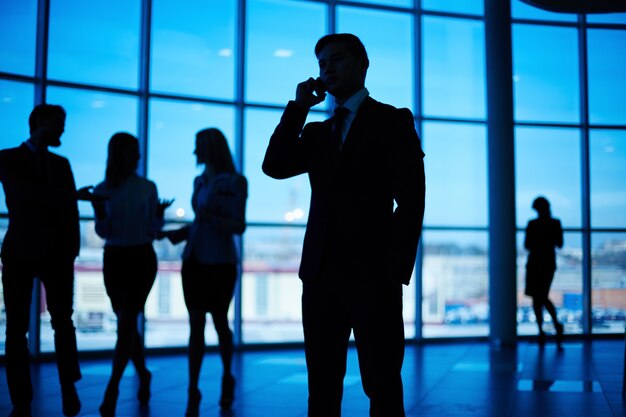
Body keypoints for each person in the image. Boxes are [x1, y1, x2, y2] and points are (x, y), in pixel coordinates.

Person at [262, 33, 425, 417]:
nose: (327, 69)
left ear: (361, 64)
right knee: (322, 385)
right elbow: (274, 165)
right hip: (320, 278)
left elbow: (412, 199)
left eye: (336, 60)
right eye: (321, 64)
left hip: (374, 277)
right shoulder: (318, 132)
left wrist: (394, 269)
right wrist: (298, 108)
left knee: (382, 383)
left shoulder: (391, 120)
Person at [0, 104, 88, 417]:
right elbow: (25, 195)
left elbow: (66, 211)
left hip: (53, 253)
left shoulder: (59, 164)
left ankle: (65, 387)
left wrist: (73, 250)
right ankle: (23, 400)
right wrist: (70, 196)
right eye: (59, 123)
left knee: (61, 323)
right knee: (19, 329)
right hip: (25, 252)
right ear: (39, 123)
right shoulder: (7, 158)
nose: (63, 129)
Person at [160, 128, 247, 416]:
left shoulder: (236, 182)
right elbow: (202, 222)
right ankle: (193, 386)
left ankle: (225, 377)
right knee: (196, 324)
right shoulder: (199, 181)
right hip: (195, 259)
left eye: (198, 145)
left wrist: (209, 219)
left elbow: (238, 225)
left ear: (210, 148)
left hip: (221, 261)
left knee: (220, 322)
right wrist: (184, 231)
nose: (195, 152)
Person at [89, 132, 172, 416]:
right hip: (114, 258)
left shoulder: (147, 187)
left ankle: (112, 389)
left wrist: (159, 215)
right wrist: (98, 212)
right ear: (118, 154)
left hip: (140, 258)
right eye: (132, 151)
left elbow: (153, 230)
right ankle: (143, 374)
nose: (137, 156)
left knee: (126, 321)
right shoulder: (104, 188)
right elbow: (103, 232)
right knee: (127, 323)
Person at [524, 196, 564, 349]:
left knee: (538, 297)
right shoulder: (554, 223)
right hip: (545, 263)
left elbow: (527, 245)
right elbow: (559, 244)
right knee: (539, 297)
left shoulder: (533, 224)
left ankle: (543, 330)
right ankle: (553, 326)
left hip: (537, 263)